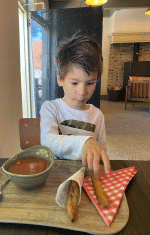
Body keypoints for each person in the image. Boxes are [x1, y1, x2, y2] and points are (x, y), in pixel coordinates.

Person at [40, 34, 111, 176]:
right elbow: (48, 141)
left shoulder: (97, 115)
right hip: (56, 176)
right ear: (60, 79)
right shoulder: (50, 108)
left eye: (90, 83)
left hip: (86, 176)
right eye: (74, 83)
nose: (82, 91)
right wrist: (85, 142)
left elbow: (100, 150)